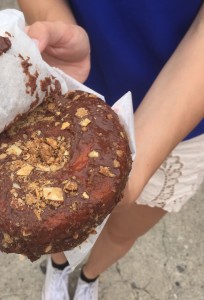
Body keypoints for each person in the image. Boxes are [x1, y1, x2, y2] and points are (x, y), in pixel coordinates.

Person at [17, 1, 204, 299]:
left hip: (182, 117)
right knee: (58, 219)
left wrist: (133, 167)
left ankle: (90, 276)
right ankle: (59, 265)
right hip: (77, 88)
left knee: (122, 230)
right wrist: (56, 23)